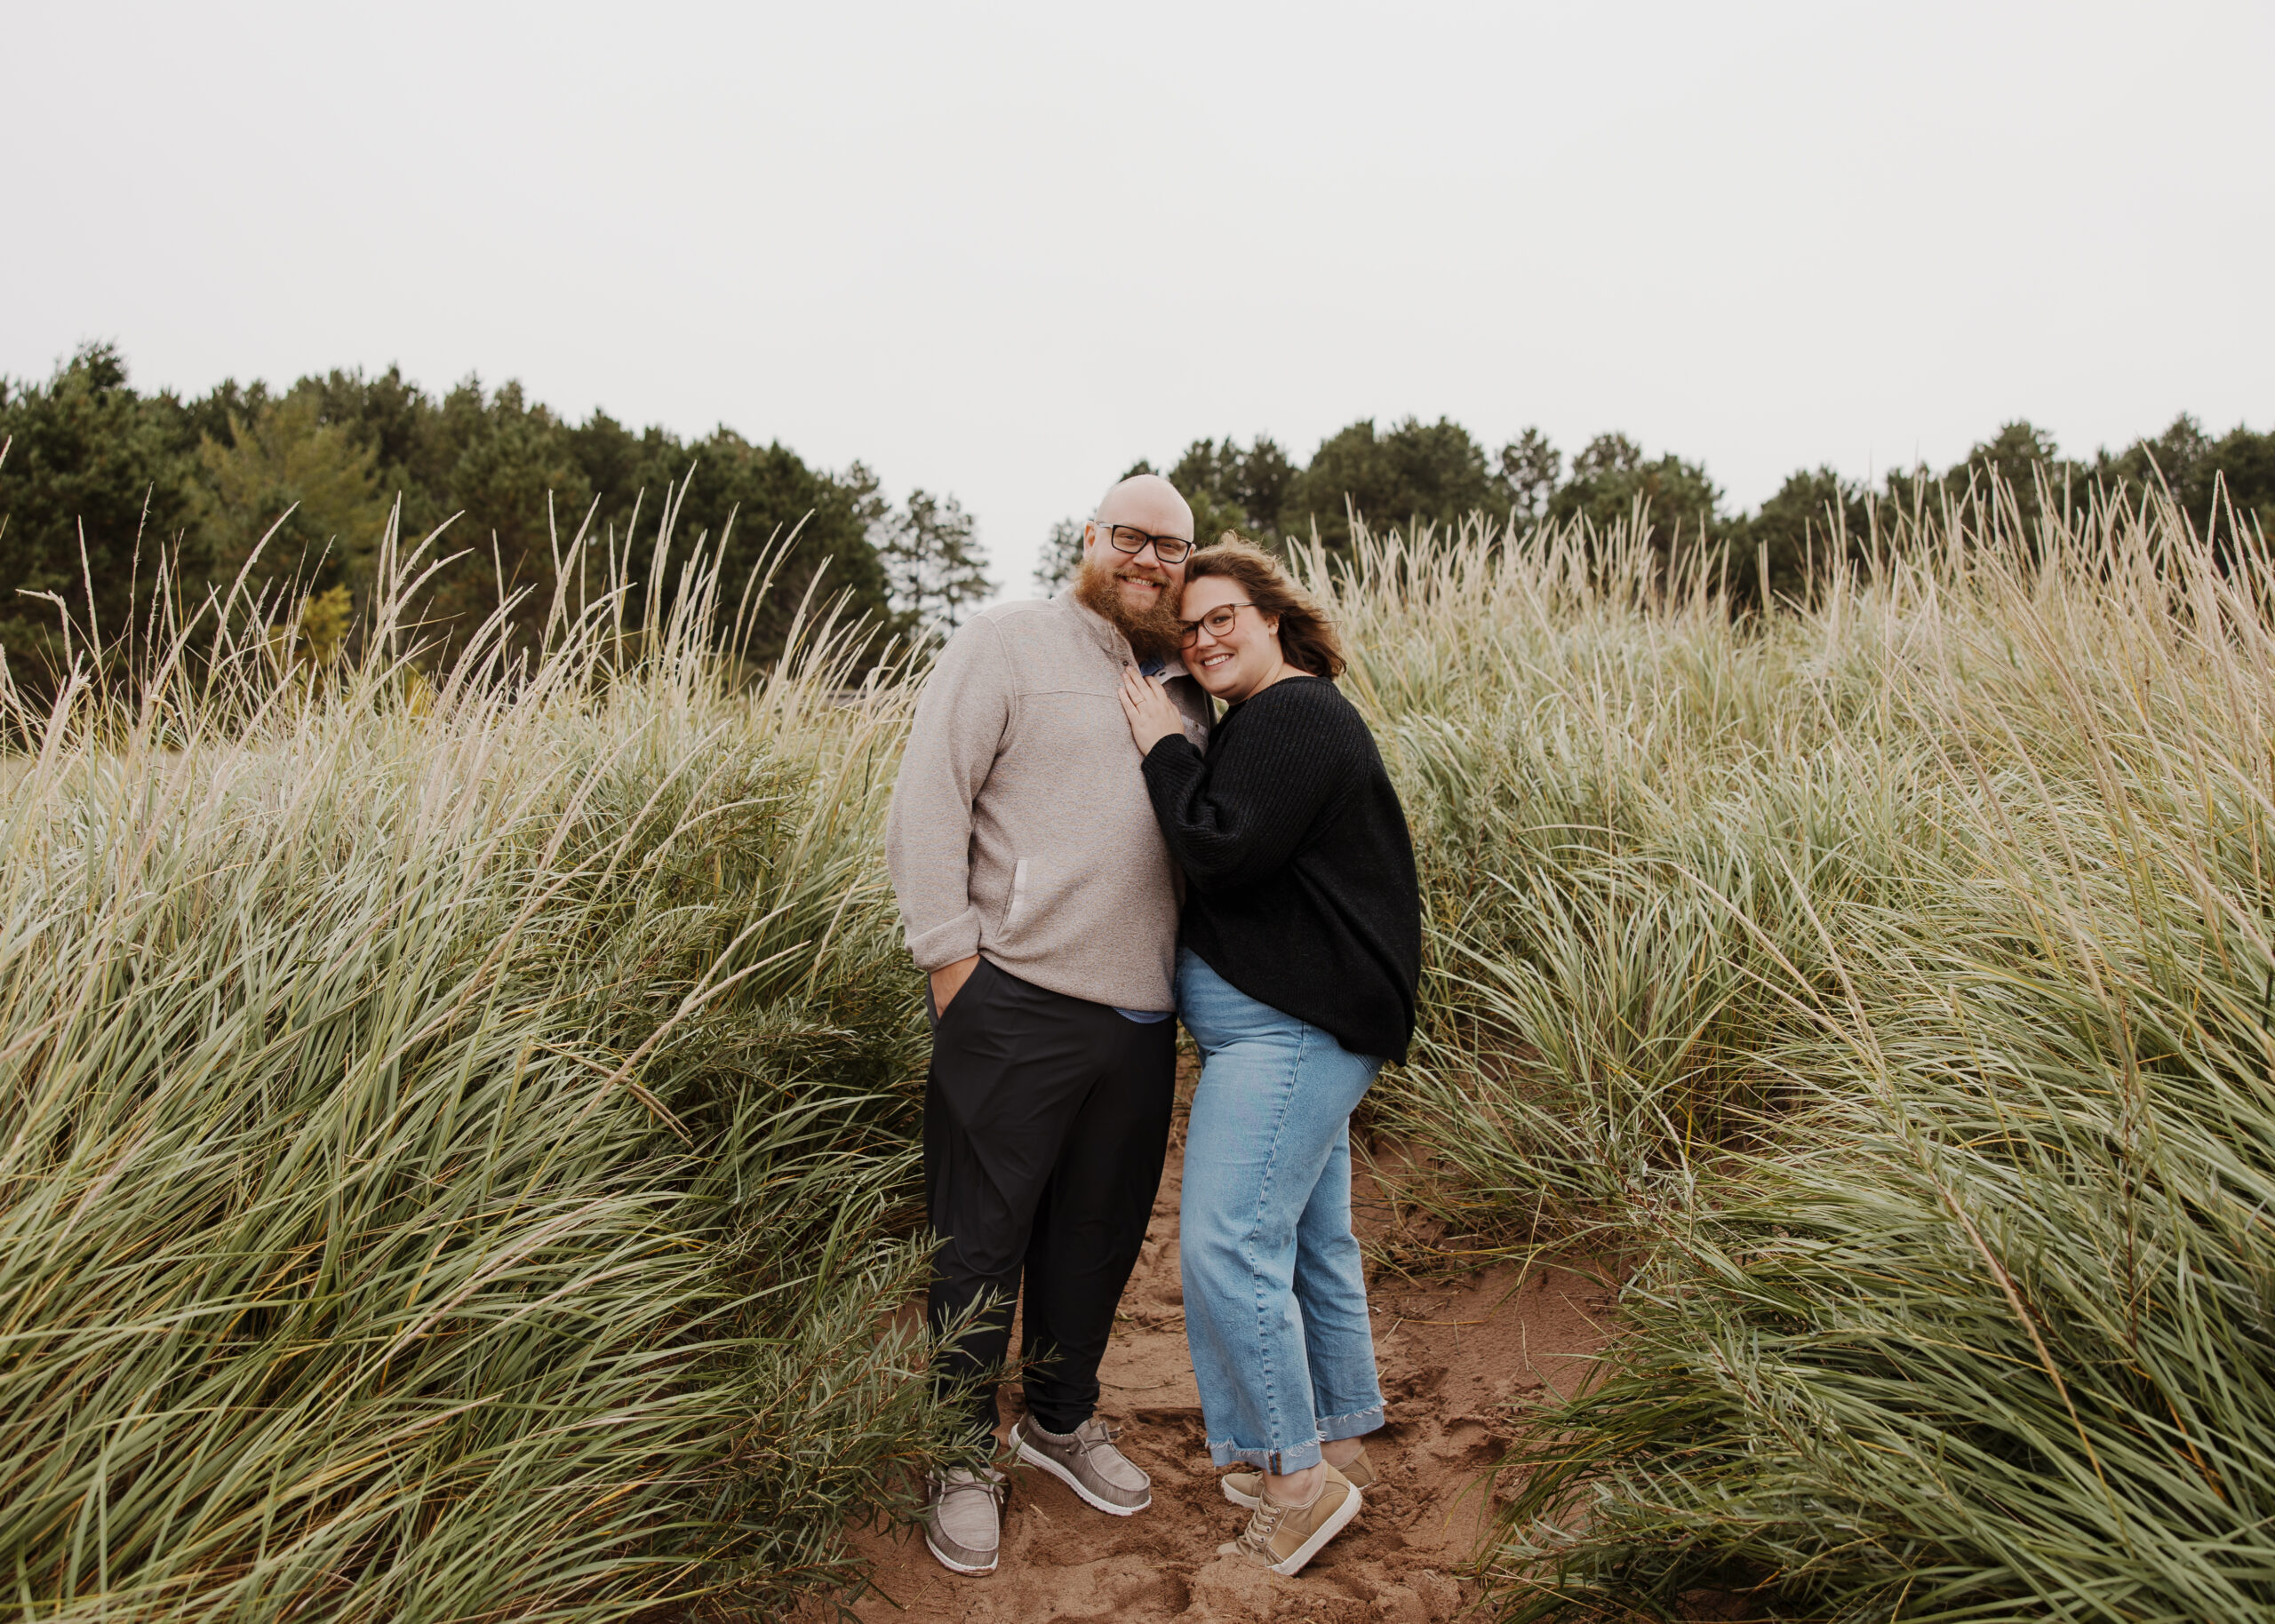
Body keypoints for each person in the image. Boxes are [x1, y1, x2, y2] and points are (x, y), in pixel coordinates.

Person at [884, 474, 1215, 1576]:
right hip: (1012, 999)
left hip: (1139, 1016)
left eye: (1172, 546)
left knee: (1097, 1238)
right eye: (1132, 537)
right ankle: (958, 1451)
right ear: (1091, 537)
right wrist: (952, 966)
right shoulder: (1008, 643)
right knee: (981, 1239)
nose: (1151, 561)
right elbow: (928, 796)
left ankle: (1058, 1421)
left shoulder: (1190, 679)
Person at [1117, 537, 1421, 1578]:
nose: (1202, 639)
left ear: (1272, 615)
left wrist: (1164, 746)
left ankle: (1297, 1482)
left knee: (1226, 1245)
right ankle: (1328, 1430)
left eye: (1221, 619)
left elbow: (1222, 850)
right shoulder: (1278, 718)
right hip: (1299, 1025)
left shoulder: (1292, 710)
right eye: (1188, 627)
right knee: (1309, 1242)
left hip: (1287, 1032)